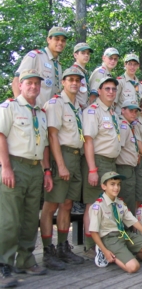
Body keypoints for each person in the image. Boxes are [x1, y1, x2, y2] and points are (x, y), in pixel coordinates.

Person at [0, 69, 53, 287]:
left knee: (31, 218)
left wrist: (47, 171)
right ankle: (4, 265)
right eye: (29, 83)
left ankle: (25, 259)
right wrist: (6, 167)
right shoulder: (9, 107)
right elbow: (1, 136)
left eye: (36, 84)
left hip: (35, 169)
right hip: (15, 166)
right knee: (10, 219)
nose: (33, 87)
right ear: (20, 85)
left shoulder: (40, 112)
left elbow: (46, 145)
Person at [40, 68, 86, 271]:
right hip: (63, 156)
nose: (74, 83)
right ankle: (47, 251)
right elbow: (52, 137)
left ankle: (62, 246)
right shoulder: (56, 104)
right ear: (63, 82)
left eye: (77, 80)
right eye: (71, 80)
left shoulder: (78, 106)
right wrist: (59, 165)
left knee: (67, 204)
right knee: (51, 205)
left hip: (76, 157)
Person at [89, 172, 142, 272]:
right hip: (110, 238)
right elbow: (93, 232)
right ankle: (104, 251)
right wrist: (105, 251)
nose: (116, 187)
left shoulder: (119, 203)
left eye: (118, 184)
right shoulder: (98, 206)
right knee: (133, 267)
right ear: (103, 186)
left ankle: (130, 253)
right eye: (112, 184)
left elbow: (133, 221)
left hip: (124, 235)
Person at [82, 77, 122, 259]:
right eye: (107, 89)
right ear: (99, 91)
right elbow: (88, 141)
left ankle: (102, 243)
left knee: (106, 205)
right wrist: (92, 169)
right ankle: (90, 245)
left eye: (114, 89)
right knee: (93, 205)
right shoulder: (93, 111)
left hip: (111, 163)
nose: (111, 92)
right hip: (98, 162)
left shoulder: (113, 112)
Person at [12, 27, 68, 107]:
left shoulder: (58, 65)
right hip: (34, 110)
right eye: (57, 39)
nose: (60, 42)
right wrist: (20, 107)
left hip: (50, 112)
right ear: (48, 40)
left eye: (63, 40)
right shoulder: (35, 56)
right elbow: (17, 81)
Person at [116, 101, 141, 212]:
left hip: (129, 168)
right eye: (131, 111)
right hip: (124, 168)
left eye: (135, 111)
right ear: (123, 110)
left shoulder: (128, 126)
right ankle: (127, 229)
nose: (134, 114)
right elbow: (118, 148)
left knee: (130, 199)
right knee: (127, 201)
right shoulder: (123, 126)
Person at [71, 42, 94, 109]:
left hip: (84, 109)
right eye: (83, 53)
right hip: (76, 109)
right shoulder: (73, 72)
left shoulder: (84, 72)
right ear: (75, 55)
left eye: (88, 53)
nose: (86, 55)